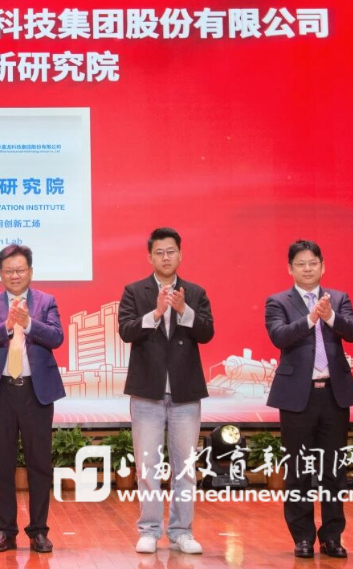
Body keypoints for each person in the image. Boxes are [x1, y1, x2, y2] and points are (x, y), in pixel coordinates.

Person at [118, 227, 214, 555]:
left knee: (185, 467)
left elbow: (207, 332)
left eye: (171, 251)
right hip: (148, 392)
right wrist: (157, 313)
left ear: (180, 254)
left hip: (185, 393)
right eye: (159, 252)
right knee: (147, 467)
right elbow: (126, 331)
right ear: (150, 257)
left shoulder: (195, 292)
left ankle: (181, 531)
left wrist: (184, 310)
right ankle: (149, 530)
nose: (166, 257)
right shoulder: (135, 291)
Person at [265, 240, 353, 559]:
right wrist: (310, 319)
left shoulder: (339, 298)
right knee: (299, 470)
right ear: (290, 268)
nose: (307, 269)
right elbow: (279, 336)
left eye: (313, 263)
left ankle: (332, 537)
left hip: (334, 395)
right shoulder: (278, 301)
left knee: (334, 470)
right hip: (297, 397)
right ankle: (303, 537)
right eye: (301, 264)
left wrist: (330, 316)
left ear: (323, 266)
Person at [0, 244, 65, 554]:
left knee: (39, 464)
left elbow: (56, 337)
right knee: (2, 465)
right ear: (0, 274)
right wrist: (7, 326)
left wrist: (28, 323)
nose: (15, 275)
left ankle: (39, 531)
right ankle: (5, 531)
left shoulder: (46, 301)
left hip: (35, 392)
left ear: (30, 272)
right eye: (9, 270)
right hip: (0, 391)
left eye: (20, 270)